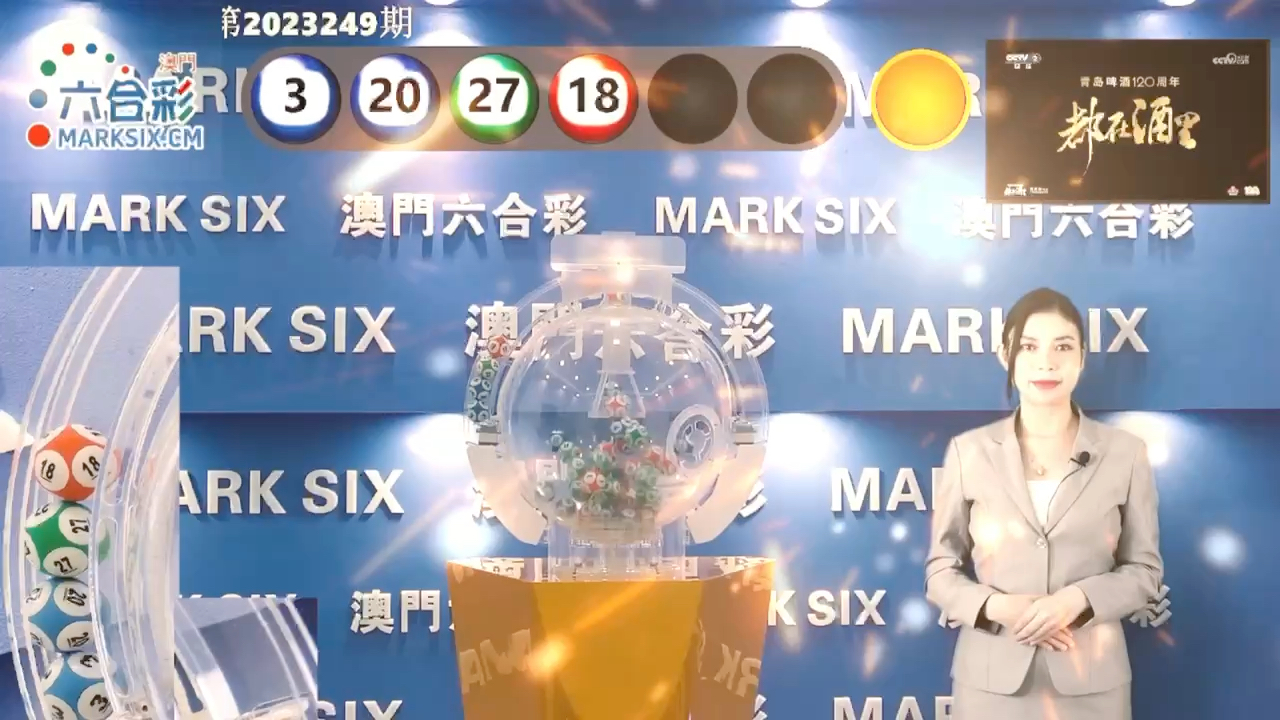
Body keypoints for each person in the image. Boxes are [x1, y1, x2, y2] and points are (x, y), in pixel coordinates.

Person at [925, 287, 1163, 720]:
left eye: (1063, 347)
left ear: (1082, 358)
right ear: (1006, 355)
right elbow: (941, 572)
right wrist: (998, 607)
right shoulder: (968, 452)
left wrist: (1077, 600)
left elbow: (1144, 571)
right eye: (1029, 346)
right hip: (990, 684)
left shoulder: (1127, 454)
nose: (1047, 362)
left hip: (1093, 684)